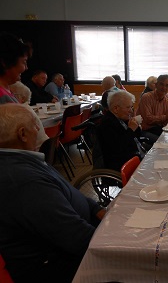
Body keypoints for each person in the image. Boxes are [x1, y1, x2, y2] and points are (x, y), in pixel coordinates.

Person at [0, 103, 105, 283]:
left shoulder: (24, 160)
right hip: (55, 265)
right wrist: (116, 243)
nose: (41, 131)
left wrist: (97, 209)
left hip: (73, 241)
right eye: (36, 125)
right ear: (23, 134)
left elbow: (69, 190)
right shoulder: (22, 180)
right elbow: (76, 238)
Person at [96, 90, 142, 171]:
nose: (131, 111)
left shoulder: (122, 118)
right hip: (123, 165)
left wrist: (136, 126)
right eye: (128, 107)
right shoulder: (107, 124)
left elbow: (136, 137)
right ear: (116, 109)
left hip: (136, 156)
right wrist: (131, 129)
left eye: (132, 107)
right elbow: (120, 148)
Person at [136, 74, 168, 143]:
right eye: (161, 84)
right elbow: (148, 119)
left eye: (167, 85)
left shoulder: (167, 101)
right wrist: (166, 117)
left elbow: (167, 121)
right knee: (164, 142)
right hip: (144, 130)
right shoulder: (146, 97)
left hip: (158, 129)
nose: (164, 87)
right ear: (156, 85)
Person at [10, 81, 49, 150]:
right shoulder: (27, 108)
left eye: (12, 94)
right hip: (45, 149)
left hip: (35, 153)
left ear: (22, 98)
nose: (9, 96)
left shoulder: (21, 112)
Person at [0, 32, 31, 104]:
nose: (26, 68)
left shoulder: (7, 91)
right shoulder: (2, 97)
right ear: (5, 62)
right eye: (24, 62)